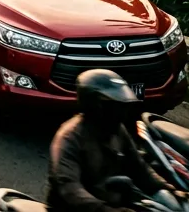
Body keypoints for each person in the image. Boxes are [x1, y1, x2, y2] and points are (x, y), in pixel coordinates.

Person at [46, 69, 178, 212]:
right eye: (116, 106)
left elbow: (139, 168)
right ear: (96, 105)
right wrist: (107, 210)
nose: (122, 112)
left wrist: (170, 190)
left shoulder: (117, 130)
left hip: (108, 204)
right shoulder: (69, 138)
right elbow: (70, 189)